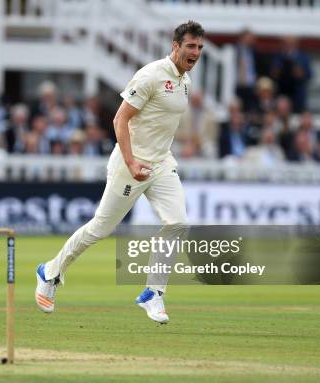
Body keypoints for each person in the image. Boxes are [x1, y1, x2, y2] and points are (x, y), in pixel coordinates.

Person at [35, 21, 204, 324]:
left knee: (177, 222)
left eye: (200, 47)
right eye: (190, 46)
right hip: (130, 164)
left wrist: (158, 157)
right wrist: (131, 161)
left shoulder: (185, 81)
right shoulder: (151, 75)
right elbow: (119, 119)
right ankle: (50, 271)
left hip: (161, 164)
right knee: (100, 228)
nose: (196, 52)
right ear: (175, 46)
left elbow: (162, 123)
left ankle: (153, 292)